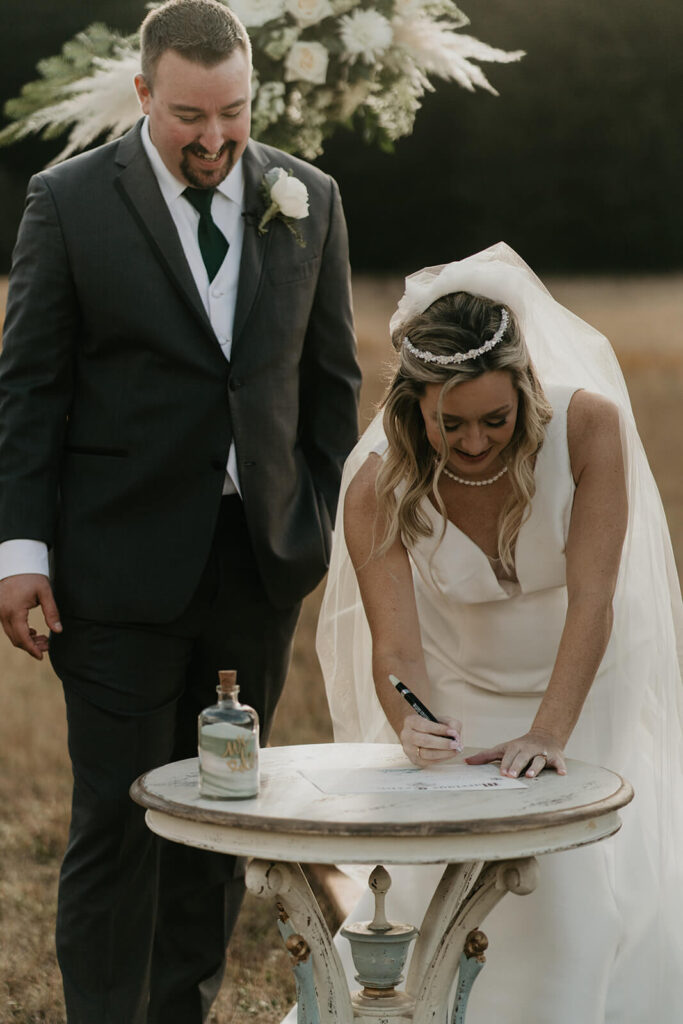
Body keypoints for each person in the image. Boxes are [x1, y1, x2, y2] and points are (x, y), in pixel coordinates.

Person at [0, 0, 360, 1021]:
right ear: (143, 92)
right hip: (112, 570)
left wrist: (309, 517)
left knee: (219, 814)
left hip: (255, 568)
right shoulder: (67, 202)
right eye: (189, 117)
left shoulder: (309, 196)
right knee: (117, 822)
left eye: (233, 115)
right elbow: (29, 389)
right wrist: (20, 549)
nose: (213, 140)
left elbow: (330, 380)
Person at [315, 243, 683, 1023]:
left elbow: (592, 600)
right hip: (461, 696)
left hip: (582, 689)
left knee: (571, 903)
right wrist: (409, 723)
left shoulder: (588, 427)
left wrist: (550, 732)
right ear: (415, 408)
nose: (476, 441)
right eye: (451, 425)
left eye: (496, 419)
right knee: (443, 895)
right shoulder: (376, 486)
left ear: (524, 387)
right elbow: (397, 650)